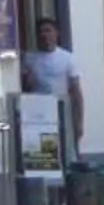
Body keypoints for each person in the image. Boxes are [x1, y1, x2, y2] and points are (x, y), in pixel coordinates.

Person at [22, 16, 84, 152]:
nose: (45, 35)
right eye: (41, 32)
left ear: (56, 33)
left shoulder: (68, 58)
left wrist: (79, 122)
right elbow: (25, 89)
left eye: (48, 31)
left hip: (62, 111)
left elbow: (76, 91)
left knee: (64, 149)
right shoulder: (29, 59)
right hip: (39, 114)